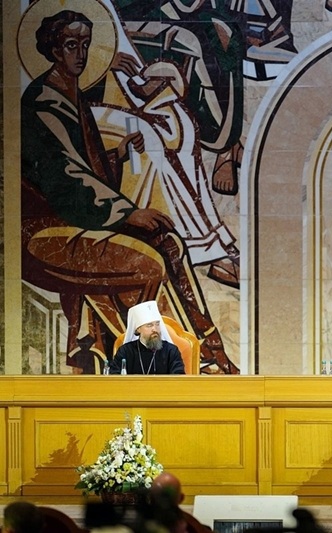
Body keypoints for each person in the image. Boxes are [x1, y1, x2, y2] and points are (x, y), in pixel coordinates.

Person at [20, 9, 239, 374]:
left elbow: (86, 167)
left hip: (81, 216)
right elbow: (66, 177)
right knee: (147, 265)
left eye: (86, 44)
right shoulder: (44, 101)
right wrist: (128, 213)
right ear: (54, 50)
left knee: (169, 242)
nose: (81, 54)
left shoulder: (72, 96)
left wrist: (116, 156)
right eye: (71, 45)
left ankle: (206, 349)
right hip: (45, 230)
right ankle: (135, 363)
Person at [109, 301, 186, 375]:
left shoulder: (171, 351)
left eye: (157, 324)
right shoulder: (125, 351)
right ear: (138, 329)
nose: (155, 329)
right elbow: (114, 377)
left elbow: (179, 378)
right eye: (149, 325)